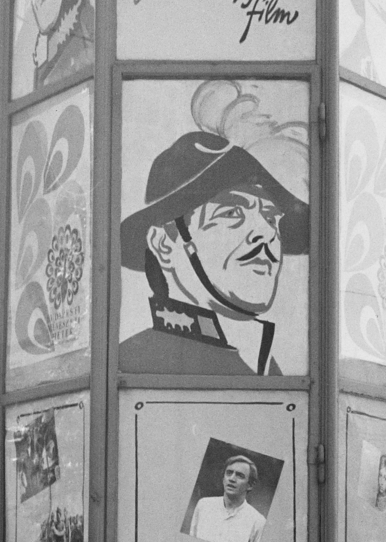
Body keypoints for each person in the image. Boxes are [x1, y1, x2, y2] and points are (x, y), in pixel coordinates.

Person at [120, 130, 309, 376]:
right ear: (164, 244)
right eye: (231, 214)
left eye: (271, 219)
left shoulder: (266, 366)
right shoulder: (138, 362)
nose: (266, 232)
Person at [187, 455, 267, 542]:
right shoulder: (204, 505)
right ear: (223, 478)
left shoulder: (258, 521)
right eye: (229, 473)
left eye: (240, 475)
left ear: (250, 485)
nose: (232, 479)